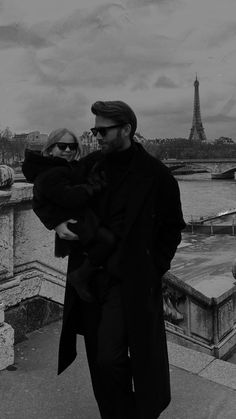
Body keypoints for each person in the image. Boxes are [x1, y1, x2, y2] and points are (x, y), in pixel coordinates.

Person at [54, 102, 186, 419]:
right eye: (94, 130)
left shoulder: (157, 176)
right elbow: (59, 198)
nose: (96, 135)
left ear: (126, 129)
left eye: (102, 130)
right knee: (101, 359)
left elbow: (172, 228)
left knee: (110, 358)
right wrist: (58, 223)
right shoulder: (88, 166)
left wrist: (153, 268)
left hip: (130, 280)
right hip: (91, 276)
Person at [22, 128, 116, 303]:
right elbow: (68, 198)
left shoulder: (65, 167)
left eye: (72, 147)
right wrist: (93, 187)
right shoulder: (51, 172)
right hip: (79, 225)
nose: (68, 150)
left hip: (80, 224)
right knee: (109, 242)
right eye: (62, 146)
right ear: (50, 149)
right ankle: (81, 277)